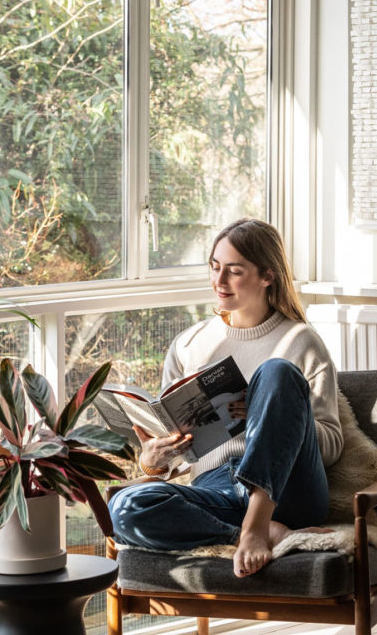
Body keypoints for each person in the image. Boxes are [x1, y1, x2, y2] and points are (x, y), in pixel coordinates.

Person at [109, 218, 343, 578]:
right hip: (217, 490)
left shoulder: (301, 342)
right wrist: (154, 461)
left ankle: (259, 524)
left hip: (289, 493)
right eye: (215, 268)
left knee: (276, 372)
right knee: (124, 508)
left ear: (267, 276)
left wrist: (266, 417)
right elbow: (177, 462)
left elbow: (331, 446)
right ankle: (253, 534)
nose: (219, 282)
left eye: (233, 271)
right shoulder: (189, 344)